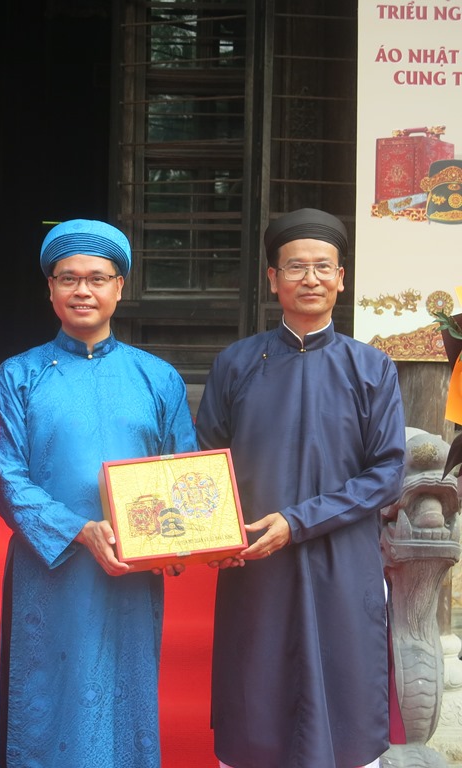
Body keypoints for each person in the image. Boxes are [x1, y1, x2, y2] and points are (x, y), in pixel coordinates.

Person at [195, 208, 406, 768]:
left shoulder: (372, 368)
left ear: (341, 278)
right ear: (273, 278)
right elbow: (205, 464)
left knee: (346, 699)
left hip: (343, 559)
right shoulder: (235, 364)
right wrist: (212, 534)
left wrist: (298, 521)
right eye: (295, 267)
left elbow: (387, 471)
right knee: (256, 698)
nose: (310, 279)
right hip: (256, 562)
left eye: (322, 267)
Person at [0, 219, 198, 768]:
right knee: (46, 696)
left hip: (132, 568)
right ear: (50, 288)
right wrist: (78, 529)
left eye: (97, 279)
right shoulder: (17, 376)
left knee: (126, 694)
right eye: (69, 278)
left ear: (119, 287)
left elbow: (182, 472)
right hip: (50, 567)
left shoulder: (158, 377)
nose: (83, 290)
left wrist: (181, 540)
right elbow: (4, 475)